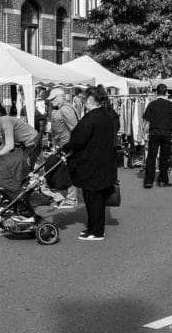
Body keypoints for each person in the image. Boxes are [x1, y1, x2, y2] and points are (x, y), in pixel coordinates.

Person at [63, 85, 117, 241]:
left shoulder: (91, 117)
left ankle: (97, 231)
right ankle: (93, 227)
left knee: (92, 198)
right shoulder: (105, 115)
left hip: (91, 163)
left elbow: (78, 139)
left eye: (84, 99)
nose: (83, 101)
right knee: (96, 198)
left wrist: (66, 147)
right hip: (102, 161)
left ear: (92, 99)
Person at [0, 109, 38, 194]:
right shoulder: (1, 123)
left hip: (32, 141)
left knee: (23, 165)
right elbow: (4, 144)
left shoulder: (5, 122)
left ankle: (29, 188)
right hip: (25, 143)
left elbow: (10, 146)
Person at [142, 84, 172, 188]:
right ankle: (163, 180)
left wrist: (143, 133)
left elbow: (146, 121)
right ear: (166, 92)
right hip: (166, 133)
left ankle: (148, 181)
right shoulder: (171, 104)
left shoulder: (151, 104)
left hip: (154, 132)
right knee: (164, 157)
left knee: (151, 157)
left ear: (156, 92)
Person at [47, 87, 80, 209]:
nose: (51, 101)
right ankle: (67, 196)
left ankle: (71, 199)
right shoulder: (59, 109)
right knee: (65, 170)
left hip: (68, 146)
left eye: (53, 99)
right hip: (63, 145)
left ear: (60, 97)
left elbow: (75, 129)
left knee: (70, 171)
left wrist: (71, 147)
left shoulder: (65, 109)